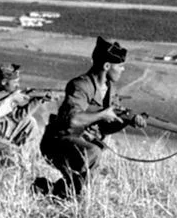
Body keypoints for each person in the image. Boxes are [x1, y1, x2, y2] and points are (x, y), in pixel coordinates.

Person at [36, 36, 147, 198]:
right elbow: (72, 120)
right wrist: (103, 113)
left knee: (78, 182)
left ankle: (45, 189)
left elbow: (105, 126)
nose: (123, 70)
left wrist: (127, 121)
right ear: (107, 66)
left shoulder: (111, 89)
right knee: (93, 154)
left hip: (82, 145)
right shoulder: (80, 86)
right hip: (58, 143)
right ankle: (76, 203)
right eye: (120, 66)